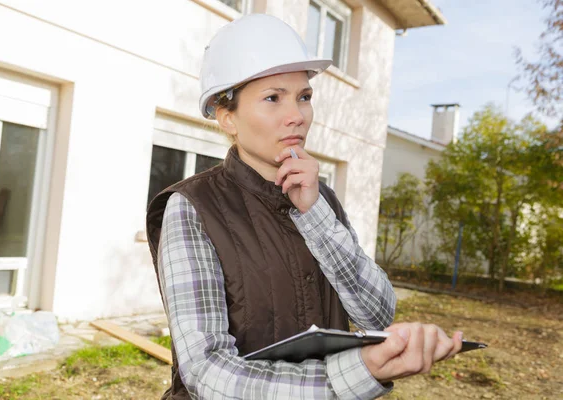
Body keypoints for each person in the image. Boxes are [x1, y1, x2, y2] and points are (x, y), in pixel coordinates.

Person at [146, 13, 462, 400]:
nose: (296, 115)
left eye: (304, 97)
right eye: (273, 98)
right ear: (228, 117)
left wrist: (315, 215)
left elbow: (377, 315)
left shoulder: (322, 199)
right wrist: (350, 377)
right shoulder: (192, 207)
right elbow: (205, 371)